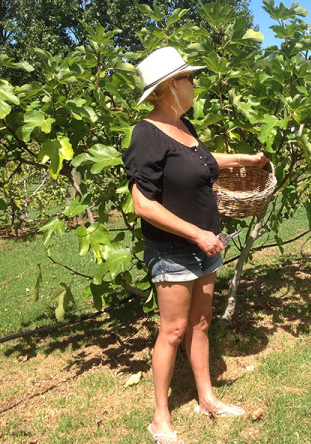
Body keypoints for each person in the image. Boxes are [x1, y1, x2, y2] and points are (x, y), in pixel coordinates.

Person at [122, 46, 269, 444]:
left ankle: (207, 398)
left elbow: (201, 160)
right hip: (175, 250)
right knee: (172, 331)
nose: (194, 84)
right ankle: (159, 419)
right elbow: (142, 204)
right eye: (189, 79)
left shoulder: (184, 127)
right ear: (170, 87)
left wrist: (245, 159)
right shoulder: (146, 134)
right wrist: (195, 233)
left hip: (207, 245)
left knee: (201, 324)